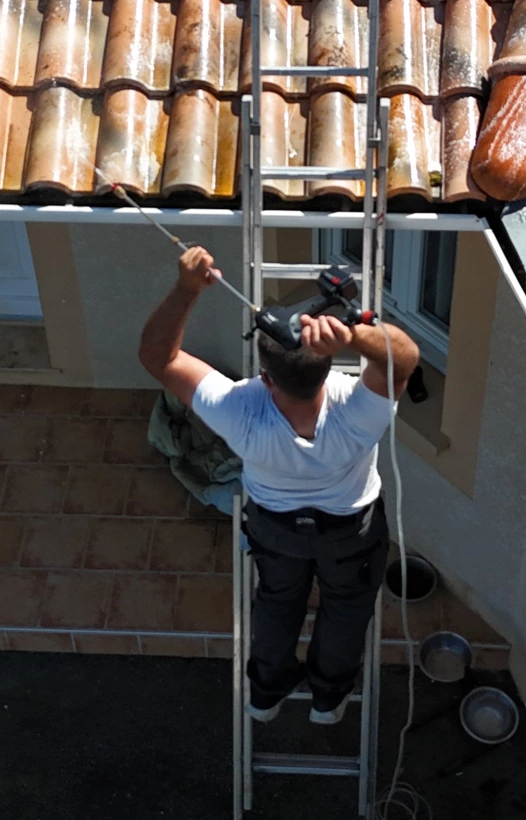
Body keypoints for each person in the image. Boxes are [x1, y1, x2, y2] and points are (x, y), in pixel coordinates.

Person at [139, 244, 419, 725]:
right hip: (350, 532)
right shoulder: (357, 410)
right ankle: (328, 701)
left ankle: (266, 694)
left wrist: (187, 290)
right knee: (347, 610)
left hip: (277, 530)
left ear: (266, 377)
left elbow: (158, 357)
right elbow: (406, 355)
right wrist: (351, 334)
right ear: (328, 366)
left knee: (277, 600)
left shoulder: (237, 409)